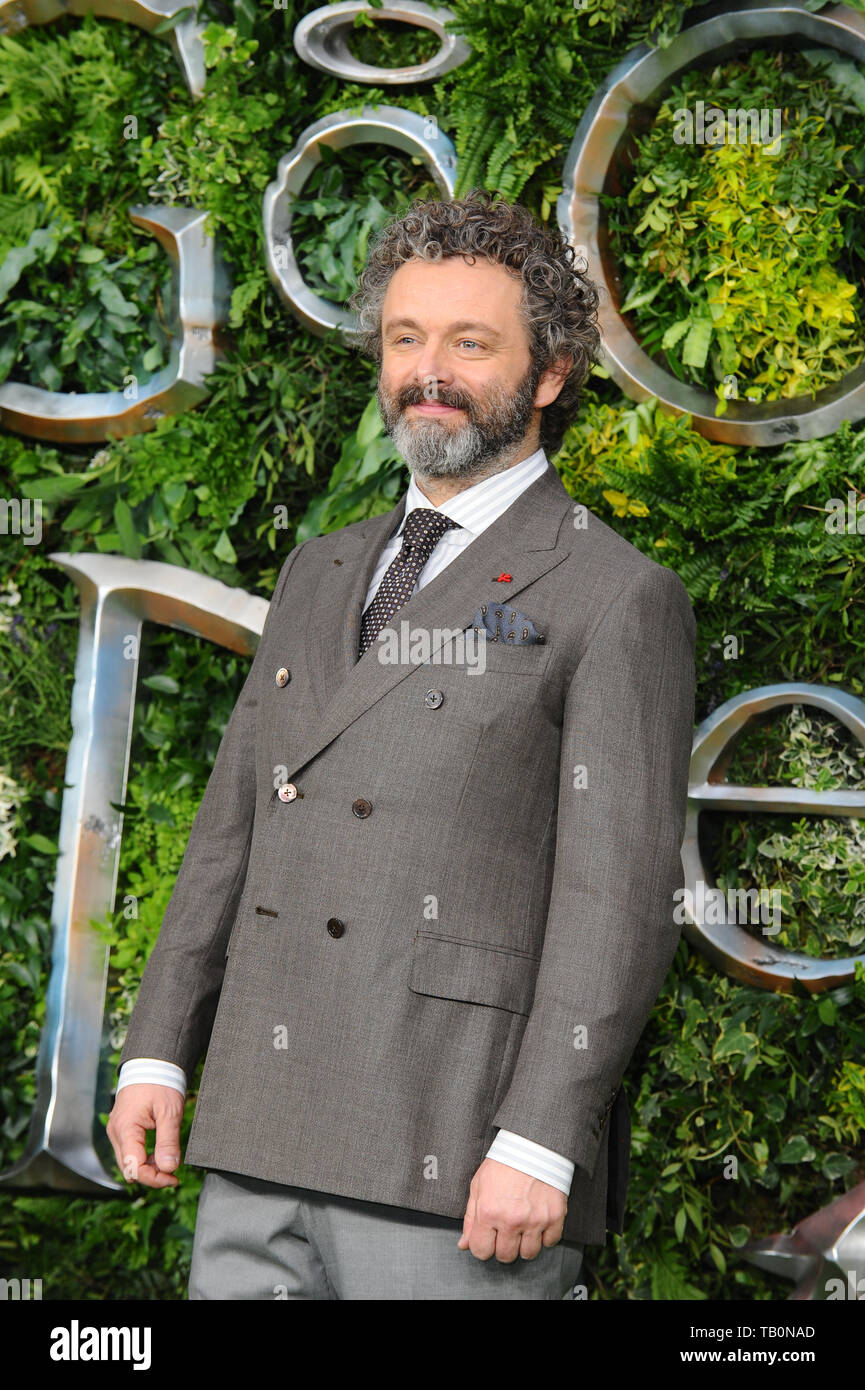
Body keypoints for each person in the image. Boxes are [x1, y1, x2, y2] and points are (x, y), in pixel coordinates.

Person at [106, 188, 696, 1300]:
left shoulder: (616, 596)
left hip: (454, 1143)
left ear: (552, 371)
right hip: (259, 1127)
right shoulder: (321, 567)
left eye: (470, 343)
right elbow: (232, 823)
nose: (429, 371)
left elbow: (616, 902)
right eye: (405, 338)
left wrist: (539, 1138)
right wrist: (156, 1050)